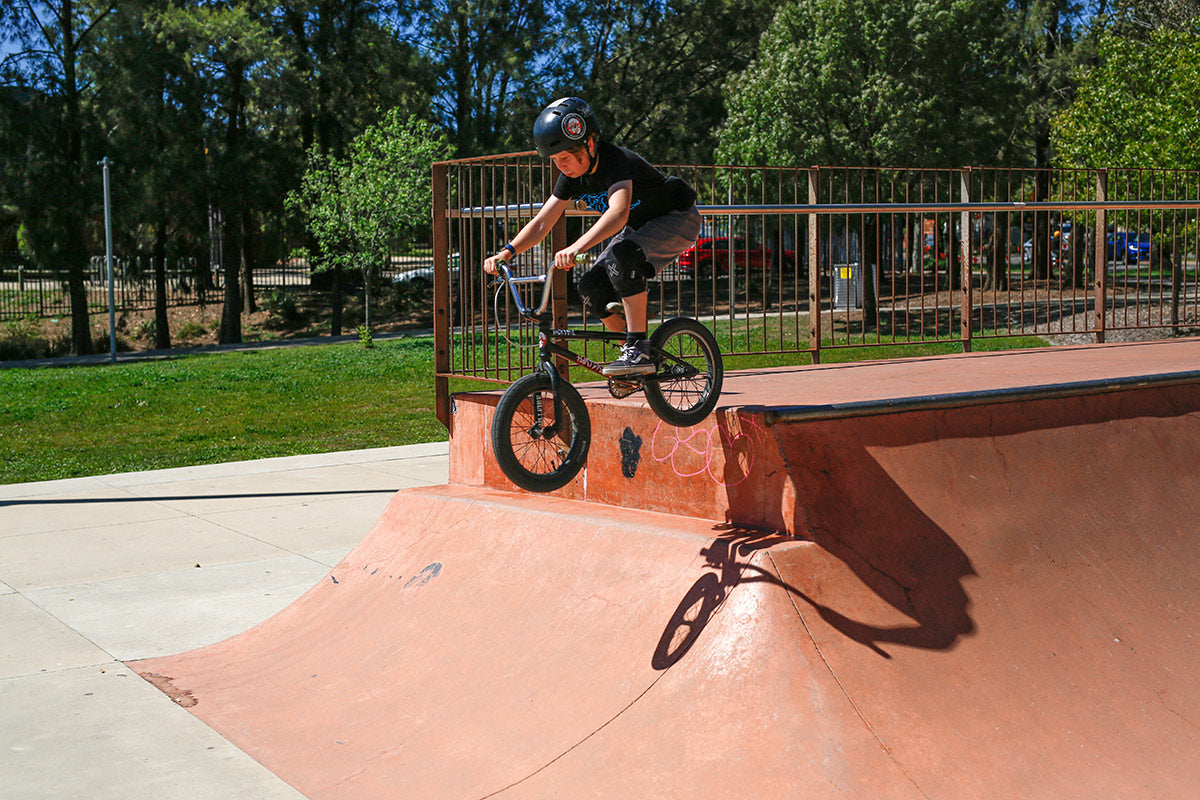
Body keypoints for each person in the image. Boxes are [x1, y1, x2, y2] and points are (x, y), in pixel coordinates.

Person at [483, 97, 701, 376]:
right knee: (590, 285)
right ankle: (633, 360)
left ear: (587, 144)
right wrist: (508, 251)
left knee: (624, 257)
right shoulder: (572, 176)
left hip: (677, 218)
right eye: (554, 161)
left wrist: (574, 247)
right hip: (640, 229)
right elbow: (542, 222)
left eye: (564, 158)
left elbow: (619, 213)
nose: (561, 166)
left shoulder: (615, 160)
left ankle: (638, 349)